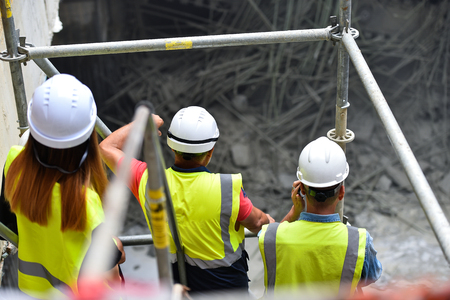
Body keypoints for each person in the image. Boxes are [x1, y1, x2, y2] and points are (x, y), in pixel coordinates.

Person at [99, 105, 274, 295]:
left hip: (181, 290)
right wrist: (269, 222)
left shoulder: (148, 181)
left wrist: (142, 123)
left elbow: (106, 147)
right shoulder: (226, 188)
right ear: (211, 151)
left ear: (172, 146)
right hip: (228, 291)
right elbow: (257, 222)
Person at [0, 74, 125, 299]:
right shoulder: (86, 203)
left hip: (32, 293)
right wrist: (115, 247)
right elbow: (113, 276)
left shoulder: (13, 162)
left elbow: (9, 222)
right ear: (88, 139)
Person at [258, 136, 382, 298]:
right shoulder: (358, 242)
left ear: (300, 188)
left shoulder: (272, 236)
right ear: (341, 193)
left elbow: (272, 243)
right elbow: (372, 275)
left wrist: (293, 213)